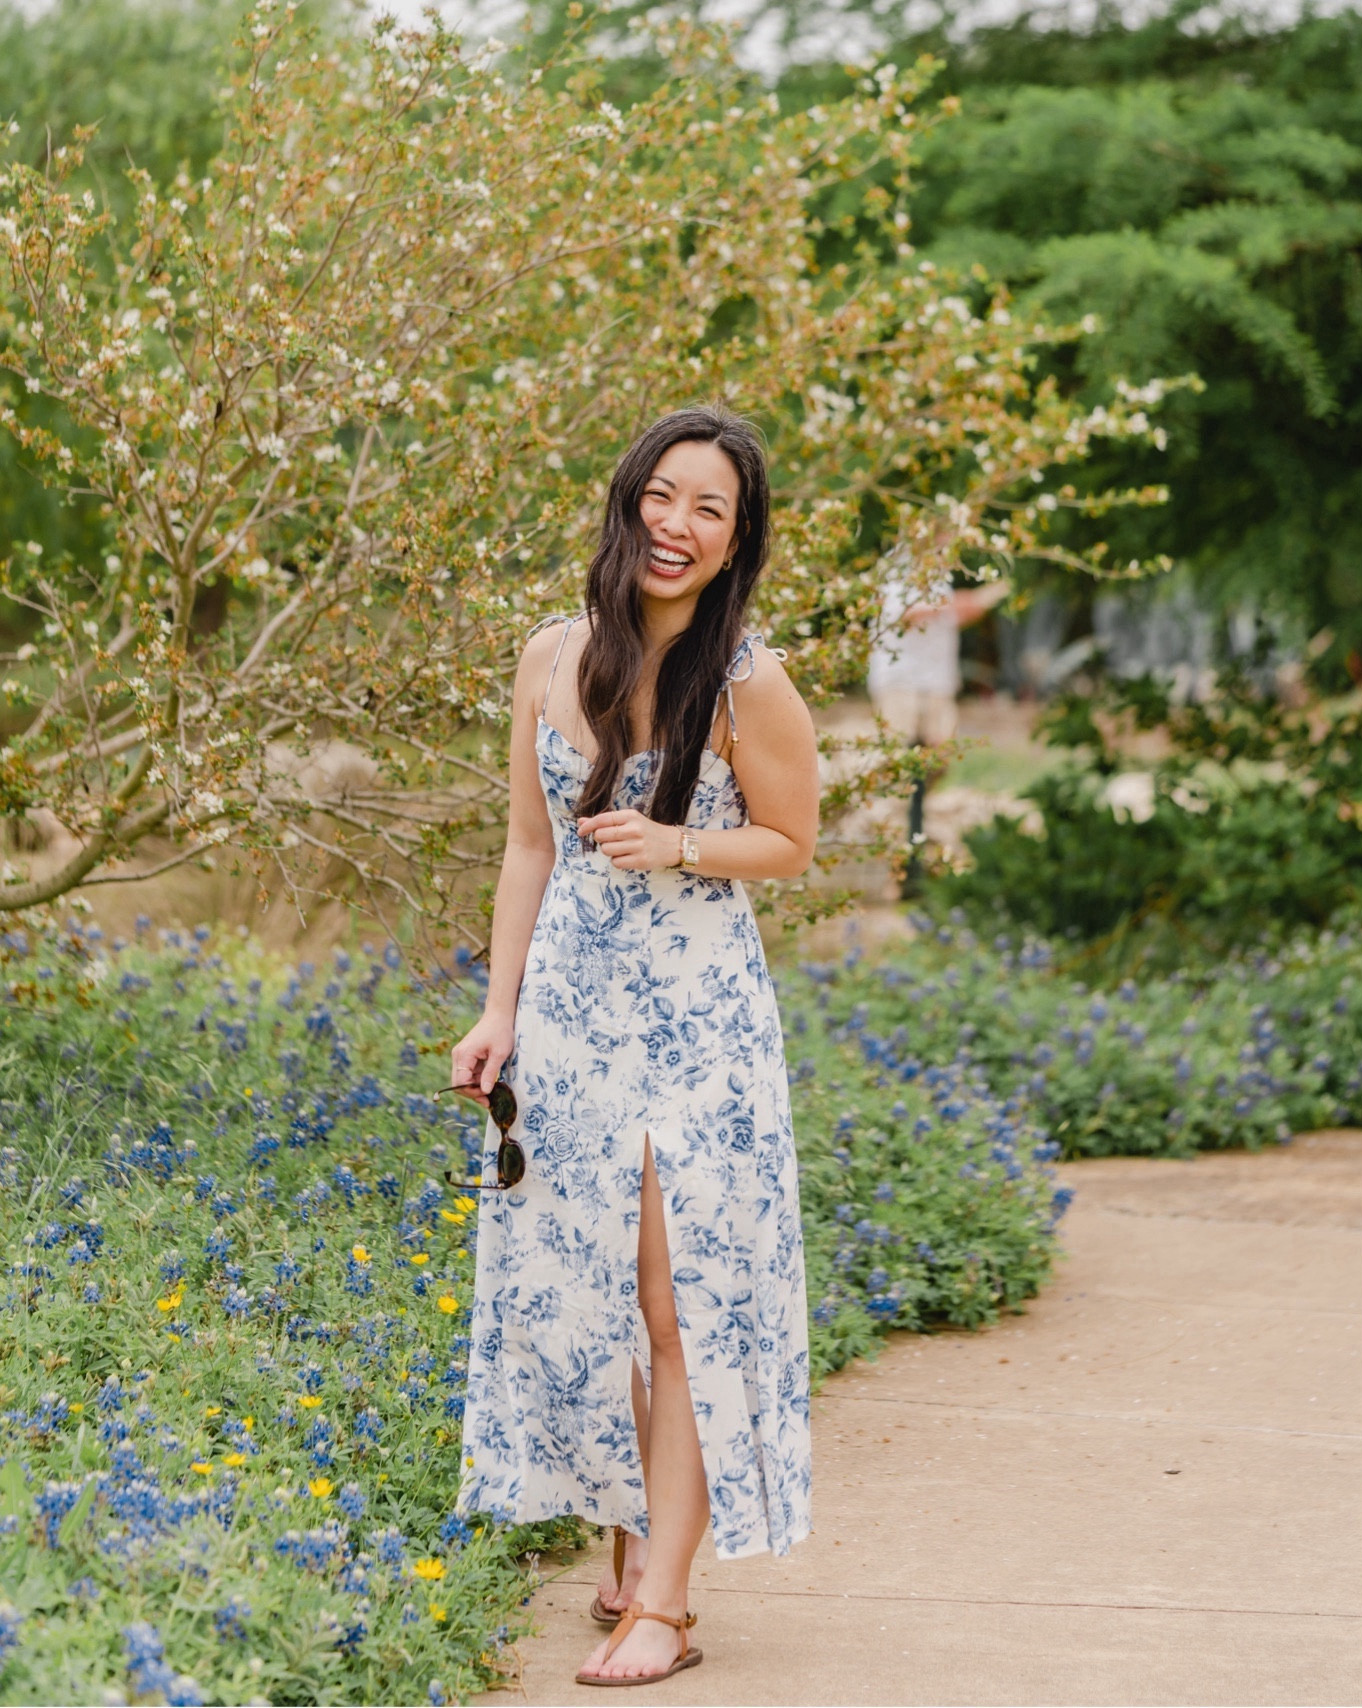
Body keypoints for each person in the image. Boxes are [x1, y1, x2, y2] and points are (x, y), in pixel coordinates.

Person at [447, 404, 820, 1688]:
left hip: (698, 1024)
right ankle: (628, 1555)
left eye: (708, 510)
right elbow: (526, 847)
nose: (677, 524)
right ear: (627, 501)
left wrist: (677, 843)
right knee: (593, 1288)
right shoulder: (550, 654)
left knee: (678, 1304)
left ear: (733, 544)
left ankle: (663, 1598)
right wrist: (497, 1011)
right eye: (663, 496)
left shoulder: (748, 681)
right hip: (568, 1014)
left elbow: (790, 841)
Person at [866, 554, 1011, 897]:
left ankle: (916, 855)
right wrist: (966, 602)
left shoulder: (940, 573)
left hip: (936, 685)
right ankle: (896, 868)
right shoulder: (900, 566)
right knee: (898, 774)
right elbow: (909, 614)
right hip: (900, 684)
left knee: (936, 765)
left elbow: (948, 618)